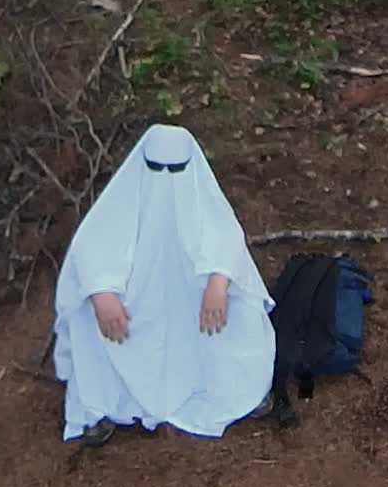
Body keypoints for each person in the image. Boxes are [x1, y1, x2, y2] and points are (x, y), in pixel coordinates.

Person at [52, 124, 276, 446]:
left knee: (240, 301)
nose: (166, 179)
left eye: (177, 169)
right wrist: (102, 293)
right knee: (87, 311)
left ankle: (242, 388)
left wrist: (218, 282)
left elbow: (225, 240)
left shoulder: (200, 196)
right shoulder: (122, 200)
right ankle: (103, 404)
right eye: (156, 168)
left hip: (192, 306)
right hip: (135, 308)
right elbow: (90, 248)